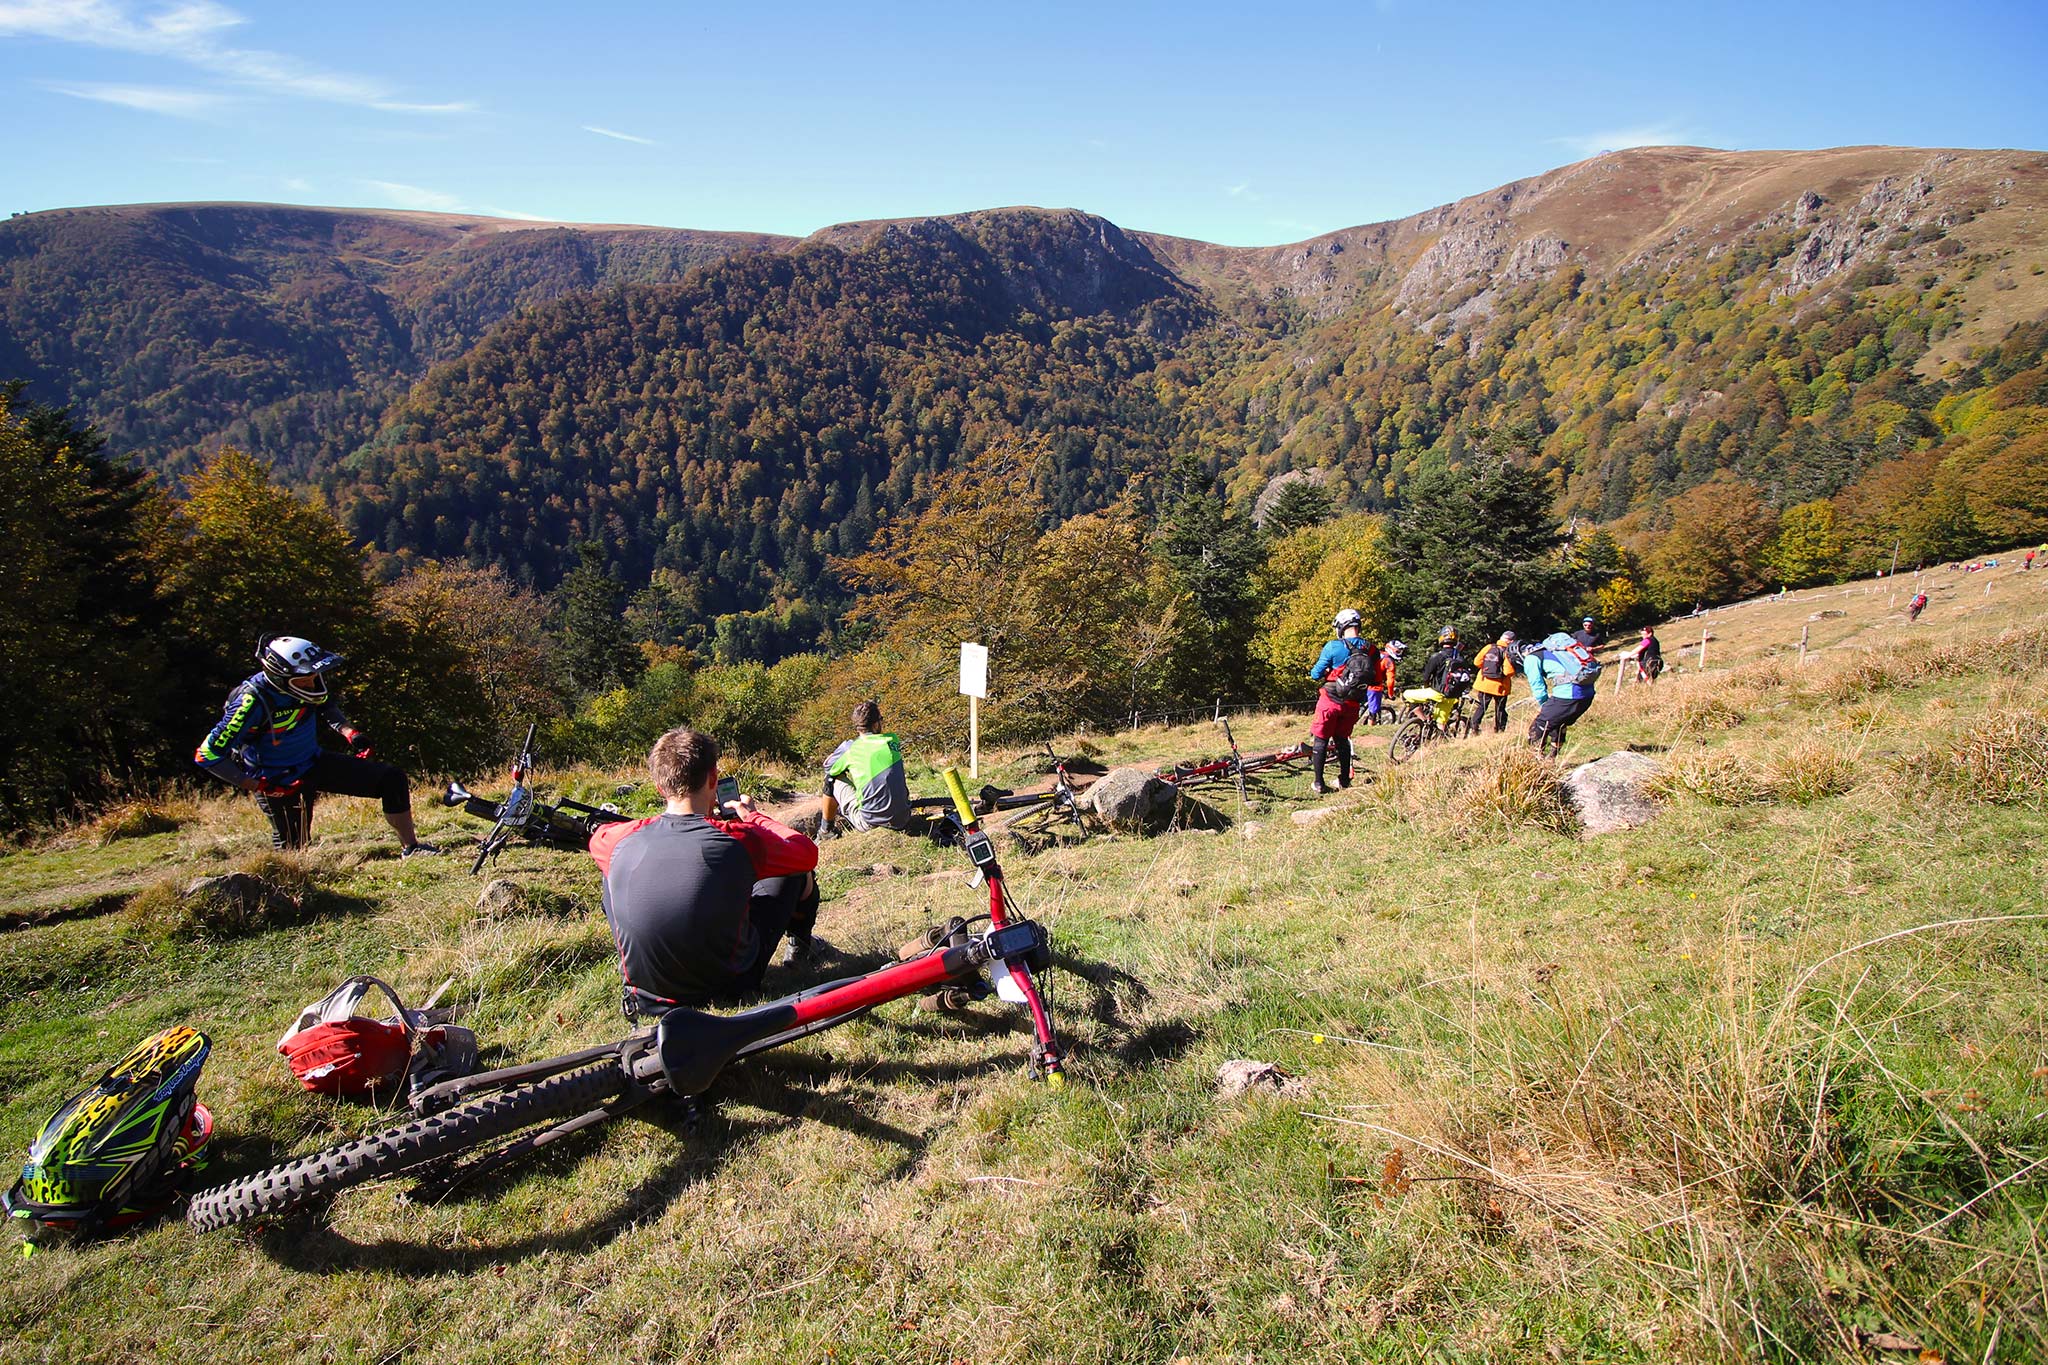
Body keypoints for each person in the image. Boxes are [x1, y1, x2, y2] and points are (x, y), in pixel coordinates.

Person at [588, 727, 821, 1018]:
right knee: (794, 874)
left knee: (612, 872)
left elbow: (598, 837)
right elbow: (806, 853)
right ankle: (801, 949)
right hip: (728, 987)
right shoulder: (741, 838)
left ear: (660, 787)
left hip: (648, 996)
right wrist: (754, 818)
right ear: (713, 778)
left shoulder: (619, 838)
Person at [194, 635, 438, 856]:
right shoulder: (250, 702)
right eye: (305, 680)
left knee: (391, 779)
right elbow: (207, 754)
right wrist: (257, 785)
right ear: (281, 677)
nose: (312, 684)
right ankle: (290, 892)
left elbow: (324, 704)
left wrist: (350, 733)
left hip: (313, 761)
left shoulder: (306, 685)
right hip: (277, 779)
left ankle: (411, 847)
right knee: (294, 847)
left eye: (314, 677)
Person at [1307, 608, 1376, 794]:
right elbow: (1376, 678)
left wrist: (1331, 671)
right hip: (1353, 703)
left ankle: (1319, 783)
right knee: (1342, 740)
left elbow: (1314, 674)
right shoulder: (1371, 648)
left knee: (1321, 739)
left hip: (1330, 699)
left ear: (1341, 626)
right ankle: (1344, 780)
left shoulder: (1333, 646)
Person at [820, 700, 915, 833]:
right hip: (903, 818)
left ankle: (826, 831)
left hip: (869, 823)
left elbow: (829, 768)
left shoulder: (850, 748)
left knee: (831, 779)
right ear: (876, 724)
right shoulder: (892, 740)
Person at [1522, 632, 1601, 754]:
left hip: (1569, 694)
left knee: (1539, 726)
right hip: (1588, 693)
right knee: (1558, 723)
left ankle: (1536, 762)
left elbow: (1538, 688)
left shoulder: (1531, 658)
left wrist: (1544, 705)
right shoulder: (1554, 652)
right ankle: (1552, 758)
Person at [1469, 632, 1518, 733]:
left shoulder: (1488, 647)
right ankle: (1499, 730)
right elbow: (1508, 672)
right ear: (1511, 641)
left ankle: (1474, 726)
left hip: (1484, 683)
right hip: (1500, 686)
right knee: (1500, 709)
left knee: (1482, 706)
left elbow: (1476, 662)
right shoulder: (1507, 652)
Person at [1420, 627, 1466, 695]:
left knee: (1406, 694)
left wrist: (1426, 686)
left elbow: (1426, 677)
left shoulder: (1437, 656)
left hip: (1437, 693)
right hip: (1454, 695)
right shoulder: (1460, 658)